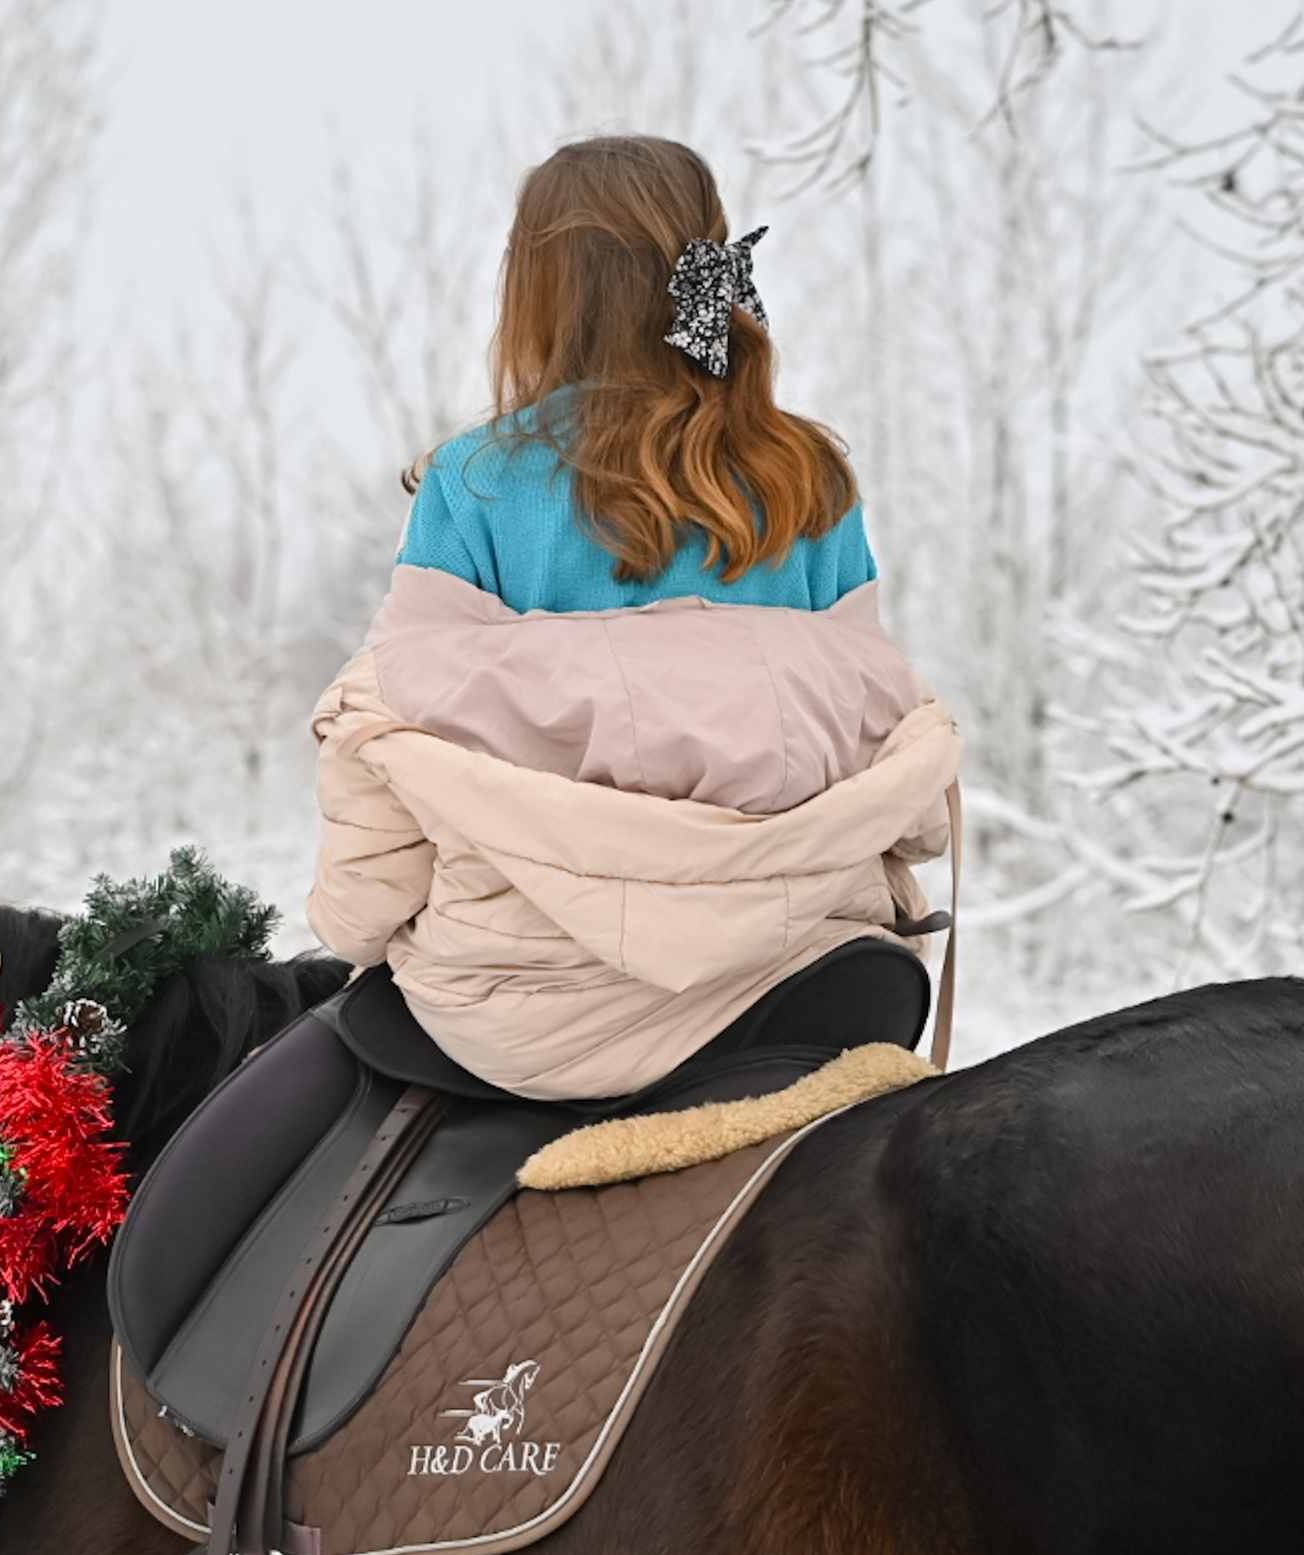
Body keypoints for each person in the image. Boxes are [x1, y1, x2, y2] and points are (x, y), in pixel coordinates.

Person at [307, 136, 963, 1100]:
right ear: (708, 264)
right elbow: (891, 765)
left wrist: (354, 926)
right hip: (812, 982)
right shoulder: (810, 483)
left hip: (530, 1008)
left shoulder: (476, 485)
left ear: (538, 287)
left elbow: (390, 755)